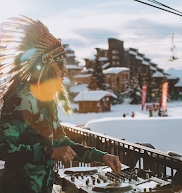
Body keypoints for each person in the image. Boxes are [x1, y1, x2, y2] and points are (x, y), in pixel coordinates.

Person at [0, 16, 121, 193]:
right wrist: (49, 152)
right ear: (46, 66)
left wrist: (102, 157)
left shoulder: (48, 101)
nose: (64, 72)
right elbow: (3, 147)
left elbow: (62, 142)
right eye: (60, 67)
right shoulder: (21, 99)